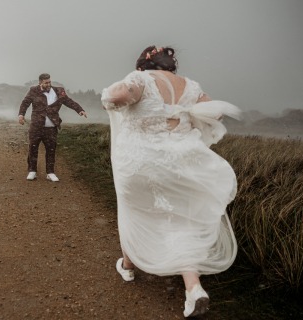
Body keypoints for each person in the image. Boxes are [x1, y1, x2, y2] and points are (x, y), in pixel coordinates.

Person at [101, 46, 240, 318]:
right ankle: (193, 289)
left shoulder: (140, 78)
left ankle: (128, 265)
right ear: (171, 65)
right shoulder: (191, 86)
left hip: (141, 164)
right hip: (182, 164)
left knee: (134, 211)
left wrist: (109, 97)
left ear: (144, 63)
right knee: (180, 221)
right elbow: (216, 113)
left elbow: (118, 95)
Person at [18, 73, 87, 181]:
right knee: (33, 148)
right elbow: (25, 103)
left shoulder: (59, 91)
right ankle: (32, 171)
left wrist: (80, 110)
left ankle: (50, 173)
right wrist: (21, 115)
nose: (49, 84)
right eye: (46, 82)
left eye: (50, 81)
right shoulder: (33, 90)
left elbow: (68, 101)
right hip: (36, 125)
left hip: (51, 127)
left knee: (51, 149)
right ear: (40, 82)